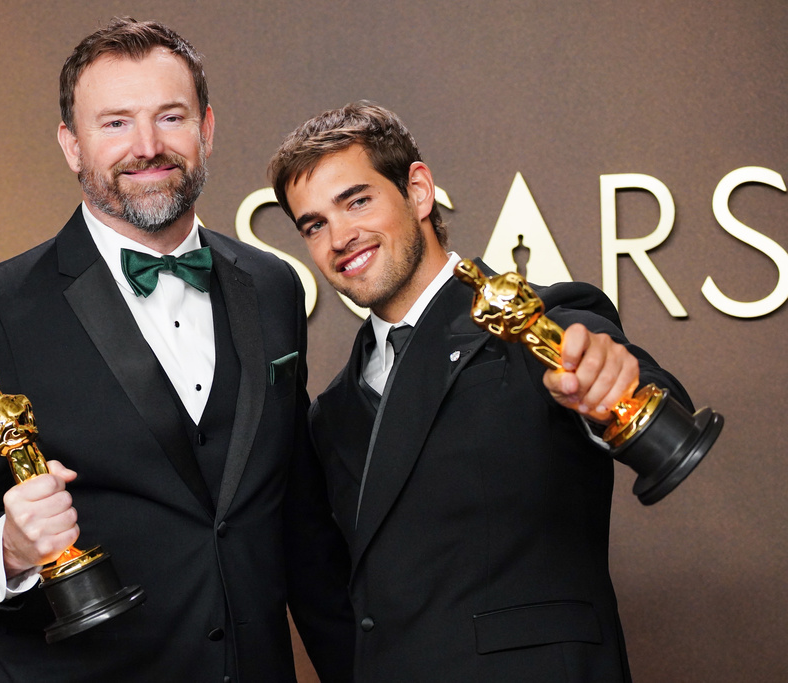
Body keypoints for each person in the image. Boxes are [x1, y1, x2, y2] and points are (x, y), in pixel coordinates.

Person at [0, 18, 353, 682]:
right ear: (71, 144)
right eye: (114, 123)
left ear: (206, 128)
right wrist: (13, 546)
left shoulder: (273, 285)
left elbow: (301, 527)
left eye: (169, 117)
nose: (147, 147)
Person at [267, 101, 696, 682]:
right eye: (314, 224)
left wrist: (610, 385)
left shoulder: (541, 322)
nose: (340, 237)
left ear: (418, 191)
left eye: (357, 201)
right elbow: (336, 596)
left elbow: (629, 381)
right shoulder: (331, 412)